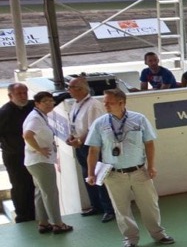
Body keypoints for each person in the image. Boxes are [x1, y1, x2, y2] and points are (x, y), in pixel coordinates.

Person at [85, 88, 175, 247]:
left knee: (150, 205)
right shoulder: (100, 123)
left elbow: (149, 143)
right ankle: (130, 239)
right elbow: (93, 150)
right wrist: (91, 173)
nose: (105, 105)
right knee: (121, 209)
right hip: (114, 174)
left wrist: (151, 166)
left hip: (139, 171)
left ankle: (158, 234)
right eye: (105, 102)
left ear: (121, 103)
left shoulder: (139, 119)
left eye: (109, 102)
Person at [64, 76, 115, 222]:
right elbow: (75, 124)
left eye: (71, 87)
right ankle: (96, 205)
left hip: (92, 146)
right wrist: (72, 136)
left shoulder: (93, 105)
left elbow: (95, 128)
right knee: (87, 175)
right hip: (80, 145)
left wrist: (80, 140)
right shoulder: (76, 104)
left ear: (81, 89)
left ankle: (109, 209)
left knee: (98, 176)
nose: (68, 90)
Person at [23, 91, 73, 234]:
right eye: (45, 101)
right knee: (50, 193)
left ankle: (44, 223)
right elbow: (27, 135)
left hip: (35, 162)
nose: (49, 103)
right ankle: (58, 224)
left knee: (41, 192)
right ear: (37, 104)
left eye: (51, 100)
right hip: (40, 162)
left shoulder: (40, 116)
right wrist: (39, 150)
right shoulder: (35, 118)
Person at [0, 82, 37, 223]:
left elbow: (49, 101)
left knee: (33, 184)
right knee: (20, 186)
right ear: (10, 96)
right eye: (19, 94)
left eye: (25, 93)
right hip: (14, 156)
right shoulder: (4, 113)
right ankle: (22, 216)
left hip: (31, 154)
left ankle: (34, 214)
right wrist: (8, 146)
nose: (23, 96)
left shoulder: (31, 106)